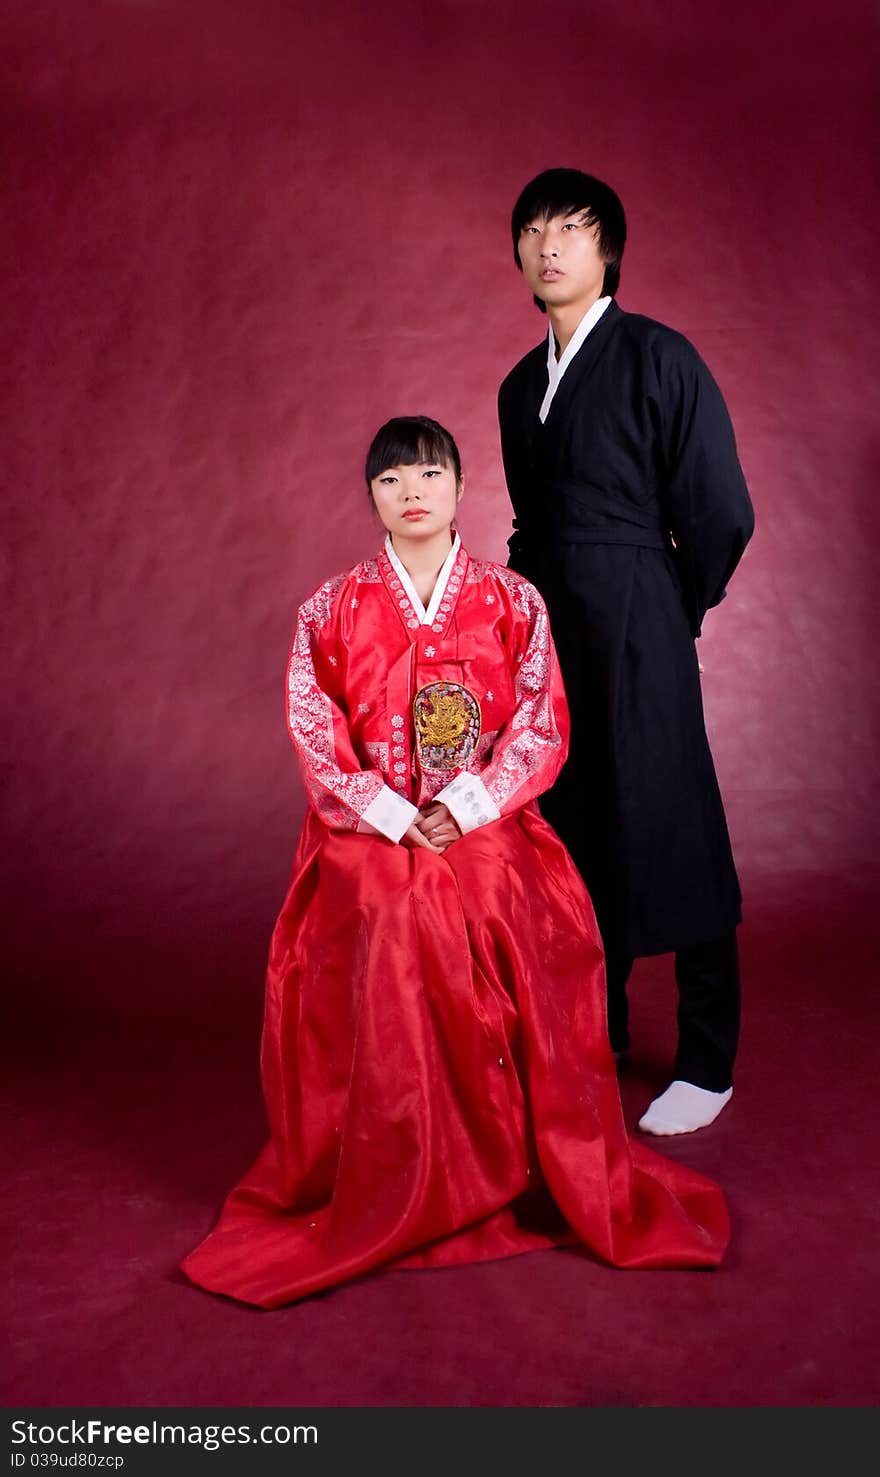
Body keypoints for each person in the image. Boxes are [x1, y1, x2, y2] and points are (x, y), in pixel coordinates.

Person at [181, 416, 729, 1309]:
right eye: (392, 480)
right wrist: (396, 814)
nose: (412, 492)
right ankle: (406, 1159)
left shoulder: (515, 602)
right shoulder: (329, 609)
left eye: (428, 473)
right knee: (401, 915)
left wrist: (463, 804)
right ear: (372, 498)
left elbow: (542, 723)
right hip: (368, 829)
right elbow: (318, 737)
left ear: (461, 488)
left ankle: (507, 1152)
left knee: (501, 900)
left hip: (488, 821)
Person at [498, 170, 755, 1137]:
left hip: (644, 614)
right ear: (518, 253)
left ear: (609, 248)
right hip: (551, 627)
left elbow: (723, 511)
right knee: (568, 823)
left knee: (670, 809)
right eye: (533, 229)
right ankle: (589, 1028)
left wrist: (669, 603)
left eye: (573, 227)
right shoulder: (521, 386)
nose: (550, 244)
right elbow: (529, 525)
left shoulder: (659, 357)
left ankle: (706, 1055)